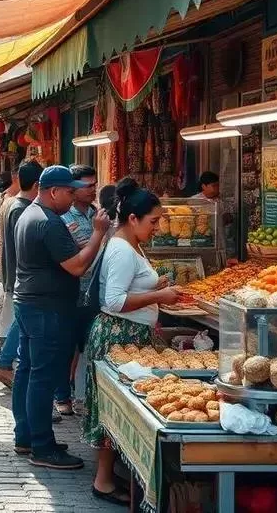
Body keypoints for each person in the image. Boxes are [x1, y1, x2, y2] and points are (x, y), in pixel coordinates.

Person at [84, 178, 182, 505]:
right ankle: (103, 481)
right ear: (133, 219)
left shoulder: (130, 244)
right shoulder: (123, 249)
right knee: (115, 408)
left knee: (122, 406)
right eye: (153, 221)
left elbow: (131, 288)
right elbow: (113, 301)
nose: (157, 227)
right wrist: (159, 295)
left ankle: (114, 476)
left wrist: (157, 286)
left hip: (130, 333)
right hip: (119, 335)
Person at [12, 166, 109, 470]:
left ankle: (27, 436)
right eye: (69, 191)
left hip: (31, 303)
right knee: (42, 376)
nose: (73, 196)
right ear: (53, 192)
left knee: (29, 371)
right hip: (46, 309)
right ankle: (42, 446)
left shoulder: (31, 214)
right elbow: (77, 266)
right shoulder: (48, 221)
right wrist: (98, 233)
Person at [0, 160, 43, 386]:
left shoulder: (11, 204)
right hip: (21, 276)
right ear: (38, 185)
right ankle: (4, 362)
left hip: (16, 274)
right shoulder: (20, 208)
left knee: (20, 321)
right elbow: (25, 249)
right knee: (21, 321)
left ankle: (4, 361)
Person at [55, 164, 100, 417]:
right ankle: (62, 395)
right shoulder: (63, 216)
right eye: (87, 185)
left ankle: (83, 393)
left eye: (94, 184)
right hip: (70, 292)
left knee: (88, 346)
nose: (93, 190)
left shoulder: (97, 214)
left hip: (94, 294)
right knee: (66, 346)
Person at [0, 170, 18, 327]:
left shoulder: (3, 199)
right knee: (4, 286)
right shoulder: (12, 201)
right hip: (3, 247)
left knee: (1, 283)